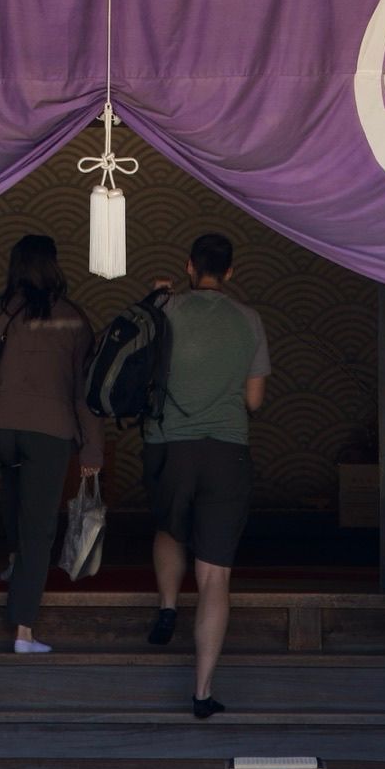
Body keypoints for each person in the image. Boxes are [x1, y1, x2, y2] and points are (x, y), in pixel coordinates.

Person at [0, 231, 102, 653]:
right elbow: (84, 392)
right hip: (49, 430)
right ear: (53, 266)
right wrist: (92, 448)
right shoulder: (72, 318)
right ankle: (23, 631)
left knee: (14, 479)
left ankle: (15, 559)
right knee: (40, 528)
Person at [142, 230, 270, 717]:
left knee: (169, 527)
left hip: (168, 445)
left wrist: (158, 296)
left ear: (189, 266)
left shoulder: (166, 308)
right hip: (227, 451)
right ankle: (201, 692)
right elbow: (254, 400)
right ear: (231, 271)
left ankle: (168, 606)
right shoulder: (249, 320)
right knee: (215, 575)